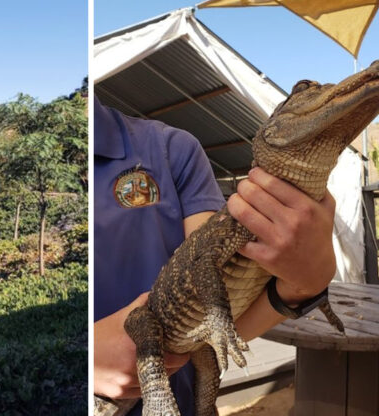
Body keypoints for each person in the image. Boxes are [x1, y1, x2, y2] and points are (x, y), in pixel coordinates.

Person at [93, 97, 337, 415]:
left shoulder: (172, 148)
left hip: (184, 373)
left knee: (206, 368)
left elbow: (219, 321)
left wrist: (306, 285)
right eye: (305, 90)